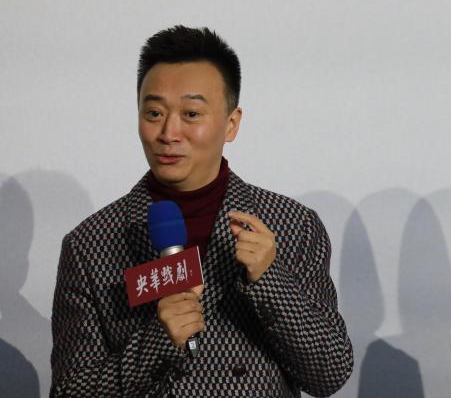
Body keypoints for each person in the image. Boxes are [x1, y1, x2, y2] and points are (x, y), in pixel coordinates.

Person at [50, 26, 353, 397]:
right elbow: (68, 391)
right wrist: (156, 344)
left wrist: (270, 281)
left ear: (231, 123)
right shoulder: (91, 244)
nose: (169, 132)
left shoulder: (291, 225)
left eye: (191, 114)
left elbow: (330, 373)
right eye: (154, 112)